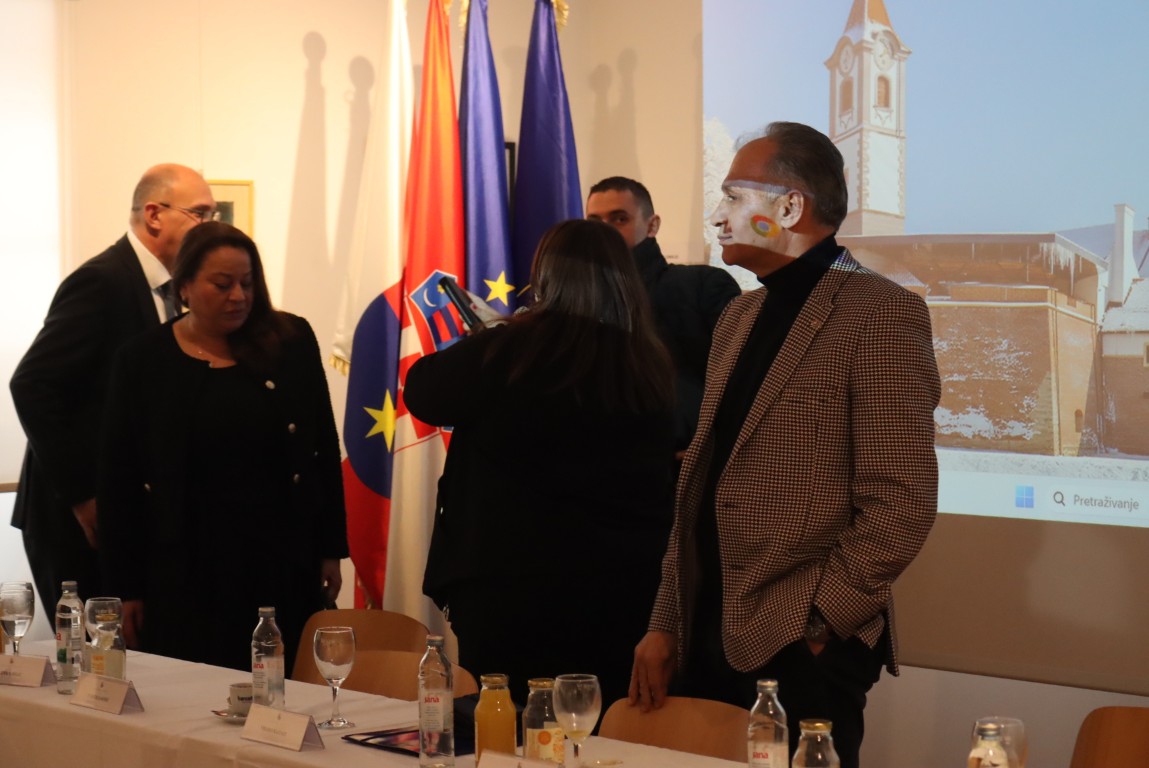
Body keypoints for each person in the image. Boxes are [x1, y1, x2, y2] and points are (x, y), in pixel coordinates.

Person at [629, 122, 941, 768]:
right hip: (704, 635)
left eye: (732, 197)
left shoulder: (880, 313)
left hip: (800, 648)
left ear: (791, 208)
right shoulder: (738, 316)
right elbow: (701, 489)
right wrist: (664, 623)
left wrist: (819, 622)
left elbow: (900, 500)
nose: (717, 216)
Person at [407, 219, 676, 707]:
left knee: (507, 728)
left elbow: (423, 392)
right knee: (595, 729)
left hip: (506, 586)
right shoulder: (647, 364)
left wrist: (490, 334)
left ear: (545, 277)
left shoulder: (509, 348)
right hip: (617, 590)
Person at [96, 221, 347, 673]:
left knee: (283, 687)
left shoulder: (290, 340)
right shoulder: (143, 360)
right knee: (191, 688)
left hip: (282, 558)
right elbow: (120, 481)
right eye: (222, 284)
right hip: (186, 566)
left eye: (247, 283)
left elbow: (323, 449)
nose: (238, 296)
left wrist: (331, 548)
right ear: (185, 287)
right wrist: (125, 588)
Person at [10, 164, 215, 626]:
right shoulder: (103, 281)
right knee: (94, 660)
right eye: (200, 214)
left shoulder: (172, 289)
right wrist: (83, 495)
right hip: (77, 519)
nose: (209, 226)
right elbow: (32, 384)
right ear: (154, 215)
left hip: (129, 513)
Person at [586, 177, 741, 456]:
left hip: (691, 457)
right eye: (595, 222)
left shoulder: (703, 285)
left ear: (652, 225)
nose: (605, 232)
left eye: (619, 219)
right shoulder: (579, 302)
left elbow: (742, 378)